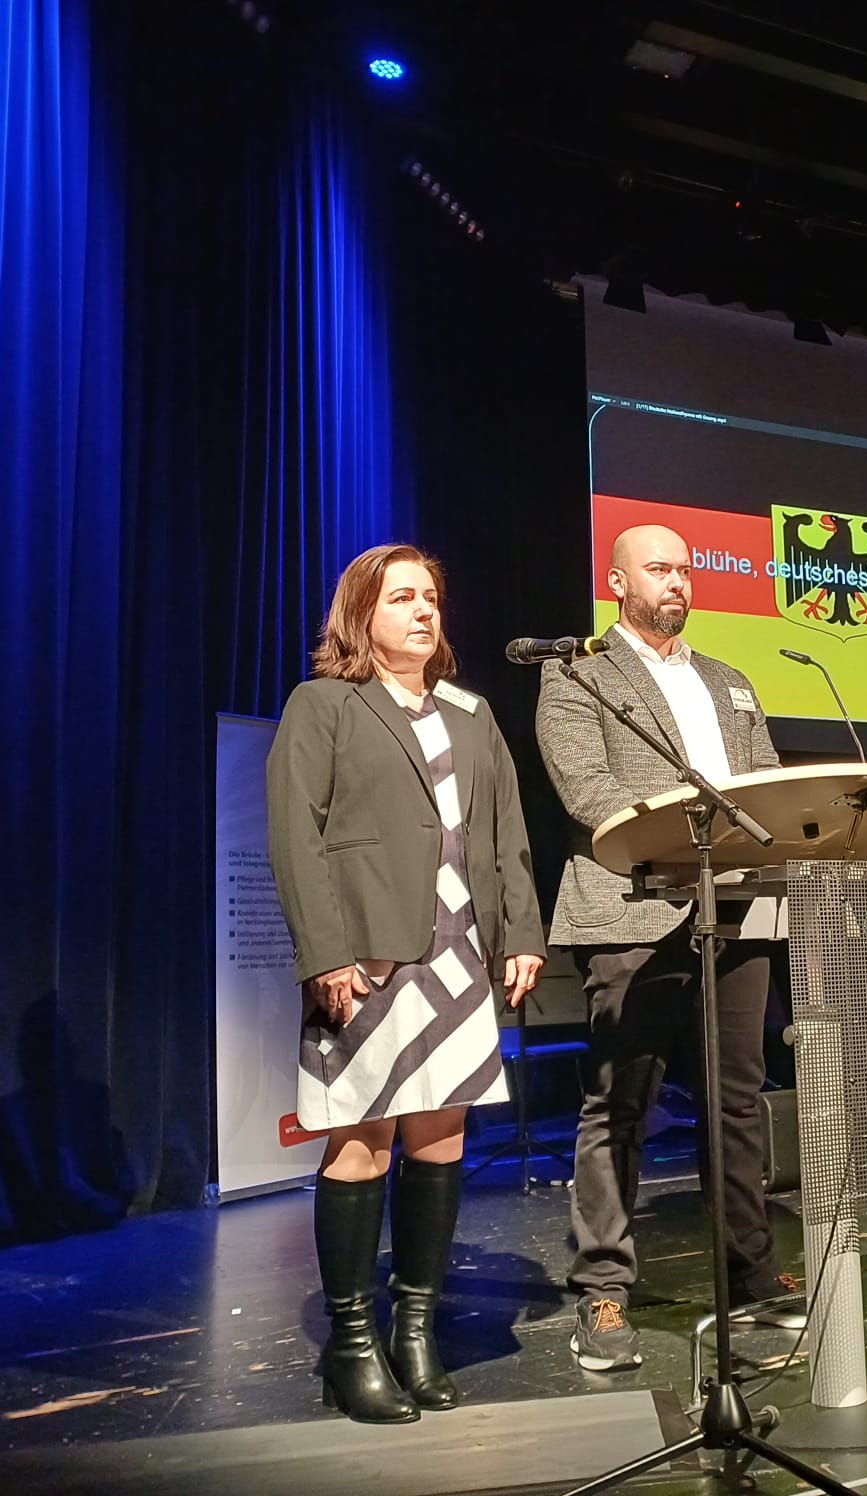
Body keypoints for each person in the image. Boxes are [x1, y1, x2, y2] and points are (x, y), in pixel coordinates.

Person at [267, 543, 546, 1423]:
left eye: (430, 596)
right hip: (368, 955)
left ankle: (415, 1331)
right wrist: (324, 952)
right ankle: (352, 1346)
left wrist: (522, 933)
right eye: (401, 598)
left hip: (460, 955)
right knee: (363, 1141)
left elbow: (506, 833)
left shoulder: (470, 712)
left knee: (441, 1137)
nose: (423, 610)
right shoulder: (325, 705)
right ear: (361, 614)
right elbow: (296, 836)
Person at [536, 523, 804, 1373]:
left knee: (737, 1099)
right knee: (621, 1102)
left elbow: (767, 784)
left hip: (737, 904)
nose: (678, 581)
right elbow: (587, 789)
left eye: (685, 569)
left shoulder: (730, 680)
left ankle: (751, 1267)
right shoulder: (577, 673)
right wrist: (693, 835)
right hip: (633, 907)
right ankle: (603, 1290)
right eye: (659, 568)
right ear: (617, 582)